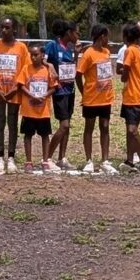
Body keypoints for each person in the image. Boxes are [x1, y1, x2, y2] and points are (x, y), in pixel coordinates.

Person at [0, 19, 32, 174]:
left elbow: (25, 70)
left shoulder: (21, 48)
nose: (4, 30)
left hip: (14, 90)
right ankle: (0, 157)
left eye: (7, 27)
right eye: (2, 27)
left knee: (12, 122)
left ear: (14, 29)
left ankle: (11, 157)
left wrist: (16, 87)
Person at [75, 25, 117, 173]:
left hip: (105, 98)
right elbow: (78, 74)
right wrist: (83, 92)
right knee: (89, 128)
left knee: (105, 127)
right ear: (101, 36)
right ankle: (89, 160)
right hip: (91, 99)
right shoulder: (88, 54)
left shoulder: (106, 52)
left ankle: (105, 160)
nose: (109, 40)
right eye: (107, 36)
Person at [117, 23, 140, 171]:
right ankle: (129, 160)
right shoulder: (139, 50)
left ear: (126, 37)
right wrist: (139, 70)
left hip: (133, 95)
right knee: (130, 129)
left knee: (132, 130)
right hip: (134, 95)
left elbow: (124, 71)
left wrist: (125, 75)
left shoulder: (129, 51)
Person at [43, 23, 78, 167]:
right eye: (77, 33)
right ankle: (47, 158)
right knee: (64, 125)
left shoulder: (70, 48)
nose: (77, 37)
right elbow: (42, 59)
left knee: (67, 125)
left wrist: (76, 54)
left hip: (70, 90)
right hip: (59, 91)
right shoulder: (52, 45)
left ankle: (61, 158)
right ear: (69, 33)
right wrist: (50, 66)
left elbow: (72, 67)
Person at [19, 44, 57, 172]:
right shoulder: (26, 68)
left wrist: (44, 95)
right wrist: (32, 95)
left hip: (43, 111)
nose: (33, 57)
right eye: (31, 55)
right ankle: (28, 161)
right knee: (28, 135)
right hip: (29, 110)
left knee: (45, 135)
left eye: (36, 55)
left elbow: (53, 86)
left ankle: (45, 160)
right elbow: (21, 85)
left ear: (42, 56)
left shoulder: (47, 70)